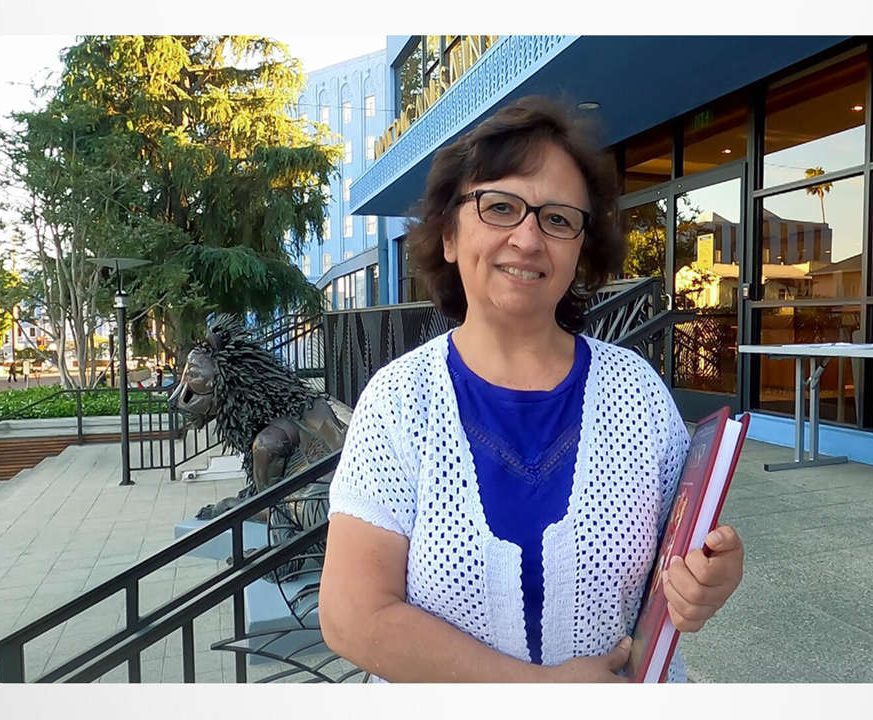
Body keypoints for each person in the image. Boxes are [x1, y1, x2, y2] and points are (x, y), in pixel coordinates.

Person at [317, 96, 743, 683]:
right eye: (500, 207)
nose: (528, 238)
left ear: (581, 250)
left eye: (558, 219)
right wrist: (540, 690)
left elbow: (680, 554)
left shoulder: (638, 393)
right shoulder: (399, 401)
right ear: (448, 235)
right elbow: (353, 616)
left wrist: (711, 576)